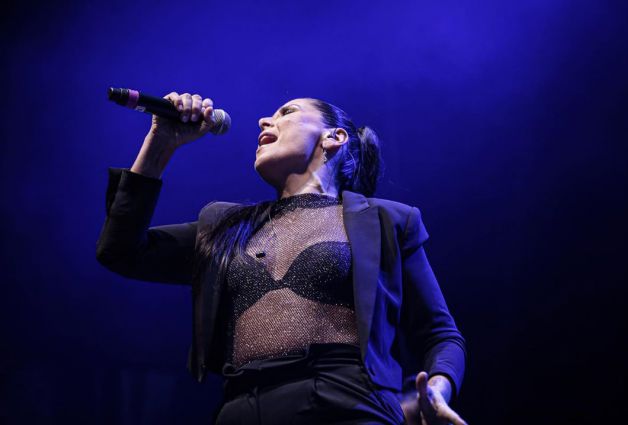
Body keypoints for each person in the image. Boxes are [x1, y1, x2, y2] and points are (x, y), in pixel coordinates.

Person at [96, 91, 468, 425]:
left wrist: (437, 390)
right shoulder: (225, 226)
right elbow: (121, 250)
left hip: (347, 404)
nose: (264, 121)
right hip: (242, 408)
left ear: (334, 137)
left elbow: (440, 334)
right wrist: (161, 143)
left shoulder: (386, 221)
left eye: (286, 112)